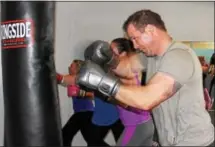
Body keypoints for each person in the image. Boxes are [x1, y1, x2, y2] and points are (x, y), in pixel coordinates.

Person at [76, 9, 214, 146]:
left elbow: (147, 99)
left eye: (135, 38)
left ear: (150, 30)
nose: (134, 45)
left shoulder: (178, 56)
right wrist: (108, 59)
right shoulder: (151, 57)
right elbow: (126, 68)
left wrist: (101, 81)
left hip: (196, 143)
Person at [109, 38, 154, 146]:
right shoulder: (134, 65)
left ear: (123, 53)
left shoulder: (126, 68)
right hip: (145, 123)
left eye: (111, 50)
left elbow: (115, 68)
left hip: (135, 126)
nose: (109, 53)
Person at [56, 59, 95, 146]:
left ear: (78, 69)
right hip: (79, 114)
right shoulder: (71, 80)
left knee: (93, 141)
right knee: (64, 137)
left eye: (72, 66)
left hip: (87, 114)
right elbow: (61, 79)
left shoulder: (82, 80)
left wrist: (81, 93)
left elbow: (93, 95)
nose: (69, 67)